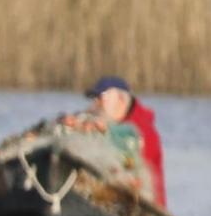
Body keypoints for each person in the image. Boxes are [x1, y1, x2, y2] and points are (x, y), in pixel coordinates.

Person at [62, 75, 167, 207]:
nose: (95, 104)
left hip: (142, 205)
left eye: (101, 99)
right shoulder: (100, 121)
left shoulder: (144, 132)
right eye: (94, 99)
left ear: (121, 100)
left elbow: (133, 170)